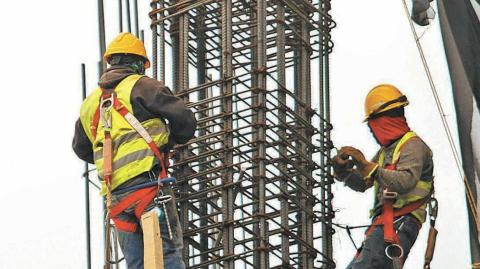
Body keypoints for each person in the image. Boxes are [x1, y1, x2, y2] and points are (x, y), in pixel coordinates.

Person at [72, 32, 196, 269]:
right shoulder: (143, 86)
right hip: (149, 186)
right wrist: (169, 143)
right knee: (167, 252)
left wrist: (114, 160)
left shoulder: (90, 104)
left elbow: (81, 148)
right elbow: (185, 119)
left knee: (136, 264)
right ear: (138, 63)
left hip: (117, 197)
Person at [333, 84, 434, 269]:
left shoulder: (413, 146)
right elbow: (365, 182)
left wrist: (366, 166)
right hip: (386, 223)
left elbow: (405, 181)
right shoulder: (385, 152)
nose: (372, 131)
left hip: (402, 220)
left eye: (373, 125)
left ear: (384, 121)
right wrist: (345, 174)